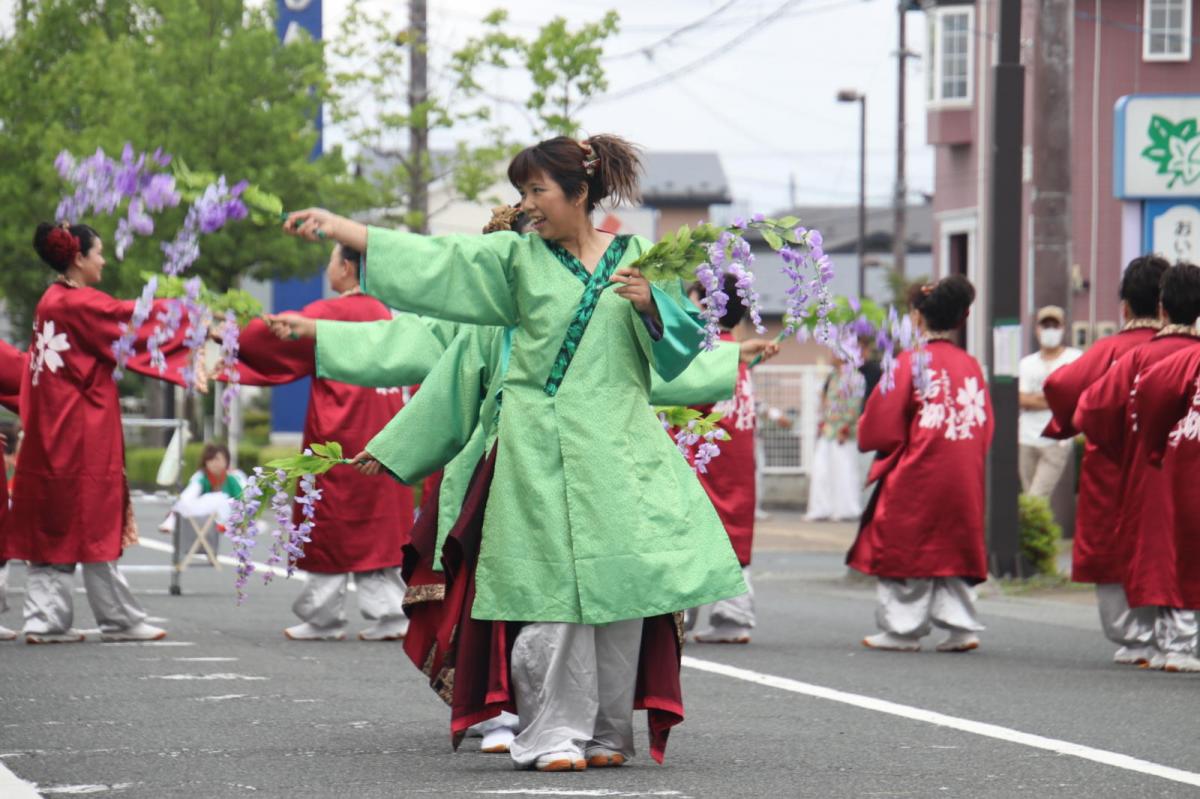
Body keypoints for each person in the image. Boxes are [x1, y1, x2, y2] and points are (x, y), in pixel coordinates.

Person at [280, 134, 746, 772]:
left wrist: (652, 308)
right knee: (548, 593)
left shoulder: (639, 256)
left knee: (621, 592)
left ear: (580, 194)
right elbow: (446, 265)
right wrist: (351, 232)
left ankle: (609, 731)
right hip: (536, 449)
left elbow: (681, 350)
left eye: (538, 191)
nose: (527, 205)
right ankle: (552, 733)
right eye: (521, 192)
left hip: (618, 446)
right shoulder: (515, 259)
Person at [3, 222, 197, 644]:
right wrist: (196, 320)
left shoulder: (50, 302)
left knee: (52, 525)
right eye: (99, 253)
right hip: (82, 434)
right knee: (94, 523)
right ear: (78, 258)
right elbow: (134, 322)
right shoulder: (78, 304)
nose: (104, 260)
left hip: (50, 430)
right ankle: (118, 619)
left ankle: (43, 619)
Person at [233, 243, 424, 642]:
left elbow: (265, 341)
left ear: (349, 268)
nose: (328, 268)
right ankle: (391, 612)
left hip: (339, 437)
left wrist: (231, 336)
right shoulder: (394, 317)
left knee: (328, 526)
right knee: (379, 532)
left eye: (332, 260)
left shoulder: (327, 315)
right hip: (387, 435)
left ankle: (323, 617)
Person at [848, 275, 992, 653]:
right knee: (955, 545)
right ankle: (961, 625)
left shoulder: (908, 362)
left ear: (916, 318)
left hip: (918, 470)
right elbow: (985, 426)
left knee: (903, 543)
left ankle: (903, 627)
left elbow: (879, 428)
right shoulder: (971, 365)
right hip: (963, 472)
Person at [1041, 255, 1168, 665]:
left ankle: (1134, 637)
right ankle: (1174, 631)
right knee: (1169, 545)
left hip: (1112, 468)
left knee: (1112, 548)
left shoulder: (1110, 351)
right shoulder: (1183, 350)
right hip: (1168, 466)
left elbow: (1061, 386)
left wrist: (1087, 428)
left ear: (1125, 305)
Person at [1076, 262, 1200, 672]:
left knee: (1161, 553)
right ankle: (1180, 642)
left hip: (1154, 470)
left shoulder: (1138, 356)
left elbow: (1091, 410)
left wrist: (1127, 445)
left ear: (1162, 308)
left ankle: (1152, 639)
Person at [677, 275, 780, 645]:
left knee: (692, 534)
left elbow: (676, 404)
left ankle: (683, 615)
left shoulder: (705, 354)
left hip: (703, 462)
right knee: (731, 535)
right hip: (736, 462)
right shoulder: (734, 354)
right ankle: (733, 614)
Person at [1130, 336, 1200, 672]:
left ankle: (1175, 642)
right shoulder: (1188, 358)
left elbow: (1148, 390)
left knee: (1185, 553)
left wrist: (1155, 443)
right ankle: (1178, 644)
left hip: (1187, 465)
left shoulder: (1185, 361)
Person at [1018, 306, 1081, 499]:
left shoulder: (1074, 358)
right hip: (1026, 438)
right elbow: (1021, 399)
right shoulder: (1027, 363)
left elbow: (1075, 395)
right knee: (1031, 498)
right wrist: (1056, 398)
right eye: (1045, 325)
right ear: (1037, 329)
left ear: (1063, 328)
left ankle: (1035, 529)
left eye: (1055, 325)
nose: (1050, 330)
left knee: (1037, 497)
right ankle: (1039, 530)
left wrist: (1038, 398)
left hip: (1057, 440)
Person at [805, 356, 866, 523]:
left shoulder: (856, 377)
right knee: (822, 470)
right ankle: (822, 508)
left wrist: (845, 426)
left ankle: (846, 508)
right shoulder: (832, 376)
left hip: (842, 432)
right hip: (828, 429)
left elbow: (855, 404)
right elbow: (826, 401)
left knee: (844, 469)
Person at [158, 442, 243, 534]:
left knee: (224, 500)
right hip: (200, 518)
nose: (214, 463)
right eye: (210, 460)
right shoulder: (200, 477)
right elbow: (188, 497)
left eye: (217, 459)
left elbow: (241, 501)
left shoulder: (231, 479)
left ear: (226, 461)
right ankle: (173, 518)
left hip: (226, 519)